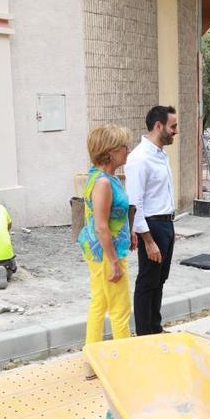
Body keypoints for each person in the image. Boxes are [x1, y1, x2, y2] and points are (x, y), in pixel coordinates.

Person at [79, 124, 136, 379]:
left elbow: (112, 217)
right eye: (124, 146)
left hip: (102, 250)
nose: (128, 150)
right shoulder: (103, 182)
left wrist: (130, 232)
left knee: (99, 303)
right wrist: (114, 261)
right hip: (106, 253)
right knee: (120, 309)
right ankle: (124, 367)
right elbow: (102, 226)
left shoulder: (103, 177)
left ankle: (91, 363)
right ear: (111, 152)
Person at [125, 105, 178, 336]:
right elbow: (135, 203)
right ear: (159, 126)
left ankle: (155, 328)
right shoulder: (139, 158)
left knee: (160, 279)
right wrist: (147, 239)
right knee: (147, 280)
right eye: (172, 126)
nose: (176, 131)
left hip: (166, 224)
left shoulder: (160, 154)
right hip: (152, 226)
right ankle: (144, 333)